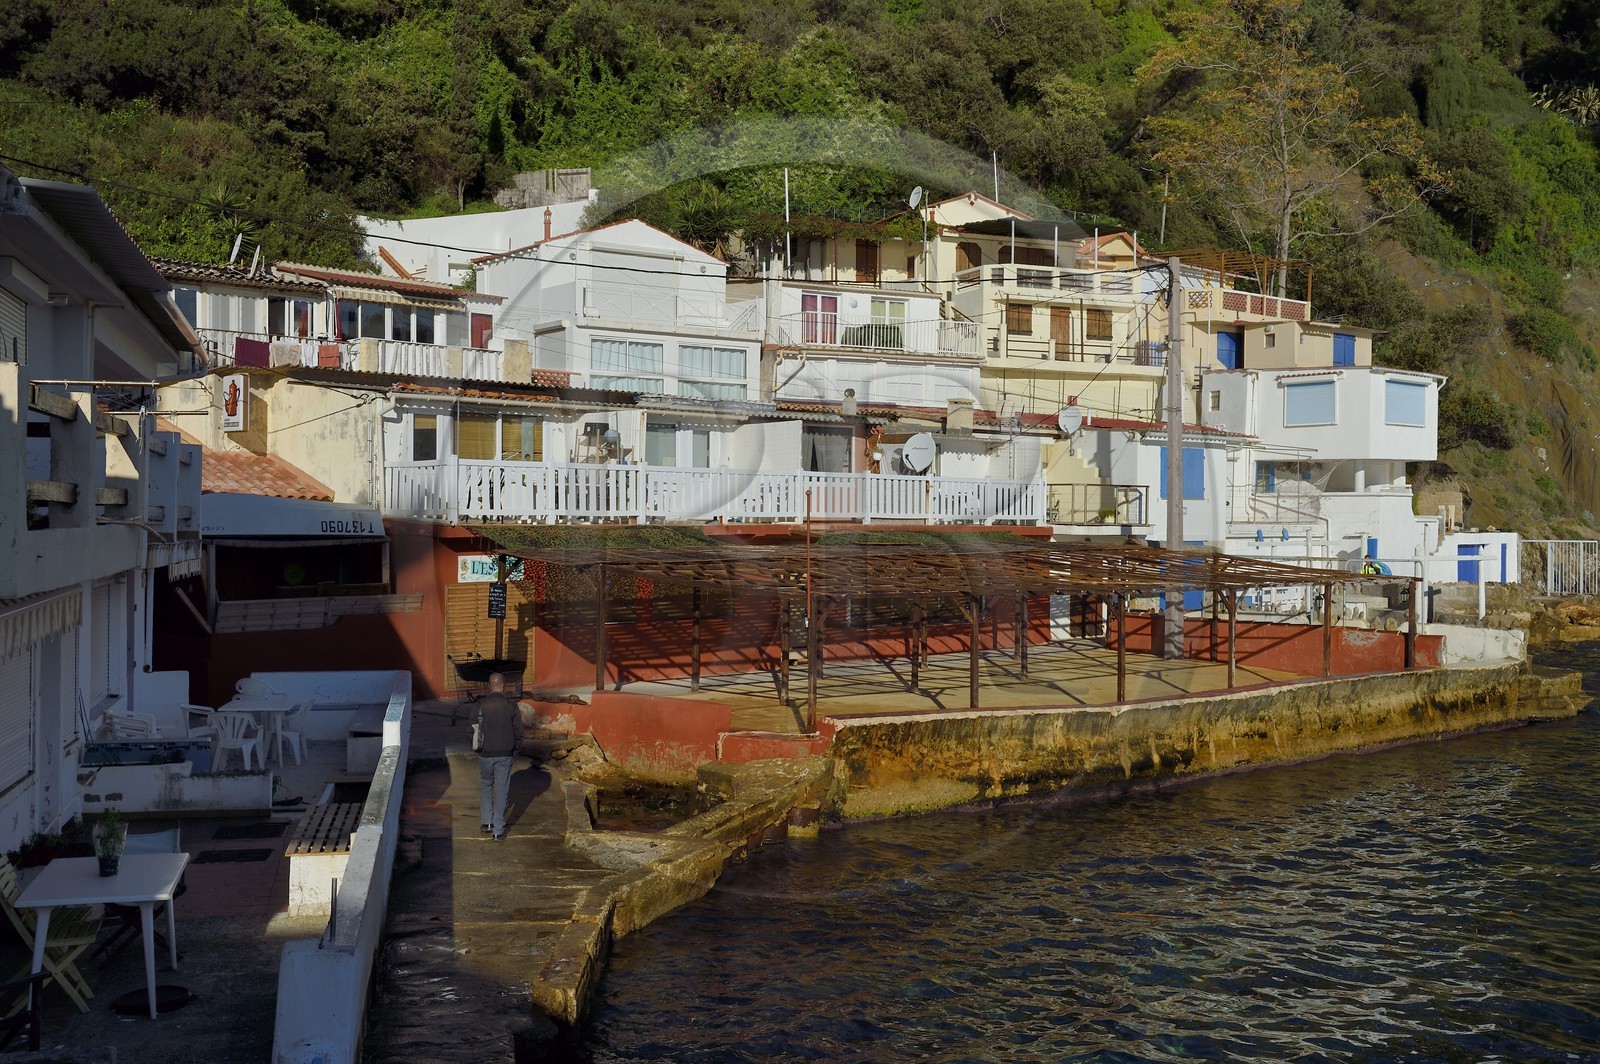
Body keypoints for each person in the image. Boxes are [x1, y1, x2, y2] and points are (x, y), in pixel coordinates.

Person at [475, 672, 522, 841]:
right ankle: (498, 830)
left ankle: (486, 822)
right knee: (502, 790)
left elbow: (470, 730)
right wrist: (515, 750)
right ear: (503, 686)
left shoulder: (479, 705)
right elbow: (518, 732)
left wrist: (478, 749)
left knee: (487, 784)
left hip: (485, 753)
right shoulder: (511, 706)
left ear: (489, 686)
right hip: (505, 754)